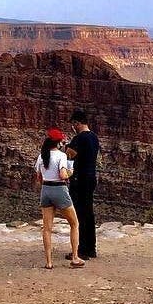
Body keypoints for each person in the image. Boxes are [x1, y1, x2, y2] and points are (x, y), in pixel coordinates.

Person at [34, 127, 85, 270]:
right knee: (74, 223)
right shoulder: (61, 156)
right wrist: (71, 171)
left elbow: (39, 177)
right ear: (58, 142)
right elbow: (63, 175)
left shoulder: (41, 156)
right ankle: (75, 258)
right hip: (59, 189)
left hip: (45, 190)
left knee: (47, 228)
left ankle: (49, 262)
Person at [65, 109, 100, 260]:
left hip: (79, 180)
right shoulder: (94, 137)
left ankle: (81, 250)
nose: (73, 127)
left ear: (77, 123)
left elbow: (68, 155)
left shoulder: (79, 138)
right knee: (89, 213)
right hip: (91, 178)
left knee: (79, 214)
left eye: (73, 124)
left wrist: (65, 146)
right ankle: (91, 248)